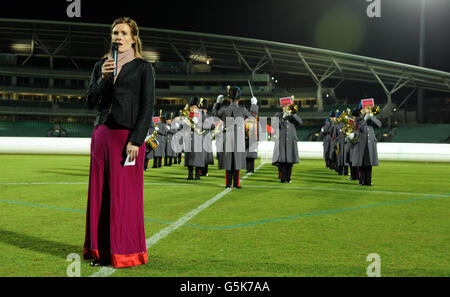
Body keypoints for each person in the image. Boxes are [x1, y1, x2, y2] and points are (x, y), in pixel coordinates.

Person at [83, 17, 154, 268]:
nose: (119, 37)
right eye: (115, 33)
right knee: (100, 194)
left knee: (124, 196)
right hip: (102, 135)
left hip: (128, 139)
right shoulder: (100, 66)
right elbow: (90, 102)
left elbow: (147, 108)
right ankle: (101, 252)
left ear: (134, 38)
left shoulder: (144, 68)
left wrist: (136, 140)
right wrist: (103, 79)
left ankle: (126, 252)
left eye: (124, 33)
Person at [212, 86, 258, 189]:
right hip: (239, 138)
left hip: (227, 137)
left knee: (228, 161)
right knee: (237, 160)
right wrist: (254, 105)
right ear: (239, 98)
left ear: (229, 98)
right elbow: (253, 116)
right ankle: (236, 184)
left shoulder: (224, 109)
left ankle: (228, 184)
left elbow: (214, 114)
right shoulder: (242, 109)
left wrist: (218, 103)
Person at [350, 101, 382, 186]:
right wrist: (364, 119)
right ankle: (362, 181)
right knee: (362, 163)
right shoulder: (357, 119)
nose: (367, 109)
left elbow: (379, 125)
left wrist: (371, 117)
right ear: (361, 110)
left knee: (369, 163)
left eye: (368, 108)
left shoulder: (370, 118)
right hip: (361, 143)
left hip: (370, 143)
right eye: (365, 108)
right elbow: (357, 127)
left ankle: (369, 181)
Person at [271, 104, 303, 183]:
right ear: (282, 107)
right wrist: (283, 117)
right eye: (285, 106)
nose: (286, 108)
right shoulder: (278, 115)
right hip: (281, 140)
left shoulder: (293, 115)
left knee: (290, 160)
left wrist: (292, 115)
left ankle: (288, 178)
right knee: (282, 160)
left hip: (291, 140)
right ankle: (282, 179)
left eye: (288, 106)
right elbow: (275, 126)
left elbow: (300, 122)